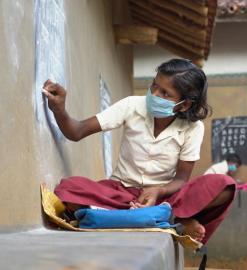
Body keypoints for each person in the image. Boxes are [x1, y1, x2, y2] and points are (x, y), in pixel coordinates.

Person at [42, 59, 236, 244]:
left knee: (225, 186)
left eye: (165, 93)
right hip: (119, 193)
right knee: (69, 189)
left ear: (184, 104)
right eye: (154, 86)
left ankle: (140, 216)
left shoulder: (194, 128)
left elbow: (181, 179)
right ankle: (168, 221)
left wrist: (158, 191)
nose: (154, 95)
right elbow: (77, 131)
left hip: (162, 198)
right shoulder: (132, 105)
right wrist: (59, 109)